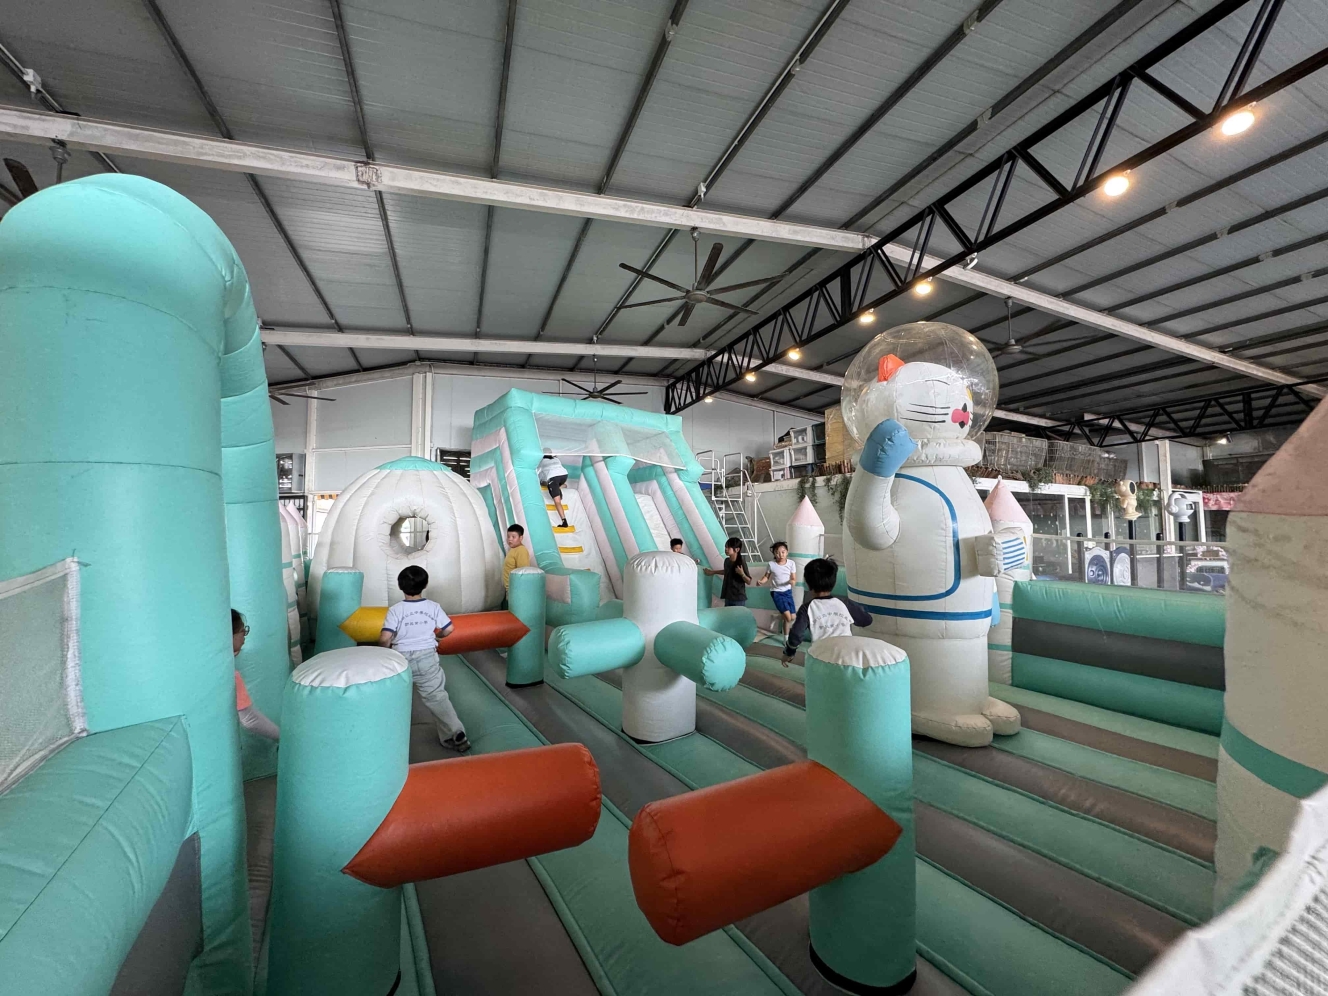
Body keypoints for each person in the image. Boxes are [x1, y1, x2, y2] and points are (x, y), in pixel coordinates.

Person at [378, 566, 471, 753]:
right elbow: (449, 628)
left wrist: (383, 652)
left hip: (401, 659)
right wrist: (438, 637)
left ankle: (385, 736)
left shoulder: (396, 610)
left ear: (400, 586)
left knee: (393, 695)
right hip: (427, 657)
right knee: (436, 696)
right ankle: (455, 732)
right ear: (425, 584)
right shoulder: (433, 607)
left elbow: (385, 638)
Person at [781, 558, 871, 666]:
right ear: (833, 582)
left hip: (821, 658)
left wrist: (789, 652)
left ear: (808, 584)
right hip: (848, 657)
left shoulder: (807, 608)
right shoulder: (844, 603)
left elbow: (796, 635)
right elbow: (866, 620)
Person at [232, 609, 279, 741]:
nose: (244, 637)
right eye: (242, 631)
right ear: (230, 635)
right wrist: (284, 738)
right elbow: (249, 719)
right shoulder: (230, 676)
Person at [704, 537, 752, 607]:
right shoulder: (727, 561)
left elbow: (749, 581)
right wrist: (713, 572)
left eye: (728, 547)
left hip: (738, 599)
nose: (726, 549)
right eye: (725, 547)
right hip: (728, 597)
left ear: (737, 549)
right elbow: (727, 572)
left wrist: (742, 574)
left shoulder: (741, 563)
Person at [760, 541, 797, 628]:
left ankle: (777, 618)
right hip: (776, 592)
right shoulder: (771, 564)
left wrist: (792, 582)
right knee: (788, 618)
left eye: (783, 552)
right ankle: (786, 637)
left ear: (787, 552)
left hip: (788, 592)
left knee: (793, 617)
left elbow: (793, 578)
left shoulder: (791, 563)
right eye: (777, 552)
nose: (780, 555)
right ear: (774, 554)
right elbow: (766, 577)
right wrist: (761, 581)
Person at [538, 453, 570, 528]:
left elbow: (539, 475)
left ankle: (564, 522)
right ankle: (560, 487)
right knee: (552, 485)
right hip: (564, 475)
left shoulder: (541, 461)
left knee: (557, 501)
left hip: (553, 477)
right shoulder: (556, 458)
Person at [503, 523, 530, 605]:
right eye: (508, 536)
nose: (510, 539)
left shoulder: (521, 550)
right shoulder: (513, 549)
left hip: (516, 589)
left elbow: (523, 572)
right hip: (511, 588)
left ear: (521, 538)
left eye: (513, 537)